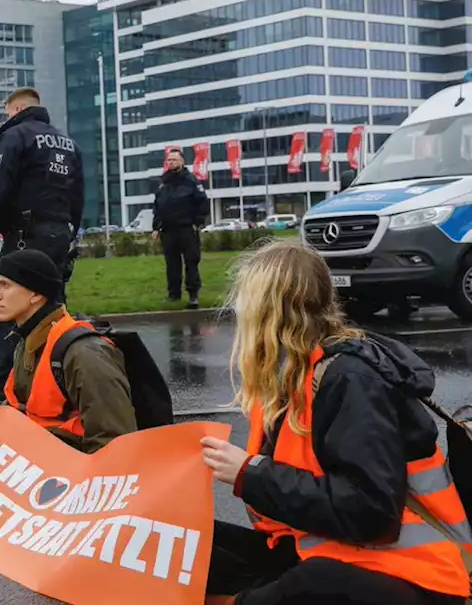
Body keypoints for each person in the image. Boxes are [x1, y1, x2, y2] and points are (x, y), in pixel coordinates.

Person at [201, 239, 470, 605]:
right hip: (343, 551)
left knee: (307, 585)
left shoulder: (350, 379)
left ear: (271, 312)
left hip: (420, 576)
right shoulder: (298, 374)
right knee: (192, 541)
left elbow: (372, 512)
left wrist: (251, 475)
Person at [0, 87, 84, 402]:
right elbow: (78, 194)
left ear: (16, 110)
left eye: (7, 114)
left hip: (24, 236)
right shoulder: (67, 143)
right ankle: (56, 378)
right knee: (52, 307)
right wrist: (70, 232)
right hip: (58, 234)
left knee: (5, 305)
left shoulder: (16, 137)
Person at [0, 249, 137, 453]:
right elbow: (27, 409)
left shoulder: (84, 354)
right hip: (42, 465)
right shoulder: (29, 339)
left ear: (35, 295)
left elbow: (115, 445)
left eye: (5, 285)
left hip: (72, 475)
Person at [152, 148, 208, 308]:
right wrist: (156, 228)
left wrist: (197, 223)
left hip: (186, 229)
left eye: (174, 160)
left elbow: (202, 202)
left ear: (182, 162)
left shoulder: (191, 181)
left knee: (191, 262)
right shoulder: (163, 183)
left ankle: (193, 295)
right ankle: (173, 295)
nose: (171, 162)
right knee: (172, 264)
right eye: (169, 160)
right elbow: (157, 207)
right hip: (168, 230)